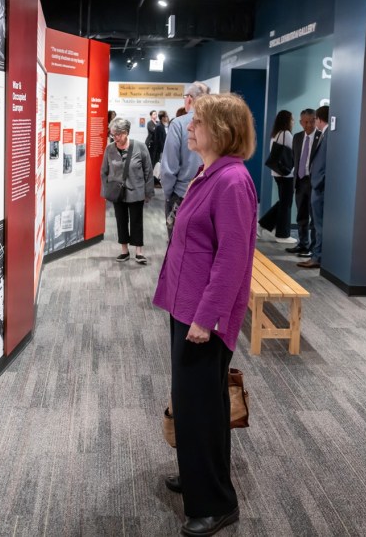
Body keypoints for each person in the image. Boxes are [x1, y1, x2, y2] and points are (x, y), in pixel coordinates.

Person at [152, 93, 257, 537]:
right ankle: (197, 474)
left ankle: (216, 501)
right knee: (195, 401)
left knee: (203, 406)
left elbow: (233, 260)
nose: (189, 128)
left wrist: (206, 317)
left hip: (203, 315)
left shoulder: (232, 182)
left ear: (222, 131)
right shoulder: (209, 172)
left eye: (197, 123)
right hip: (186, 304)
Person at [100, 117, 153, 264]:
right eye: (113, 134)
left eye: (118, 134)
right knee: (121, 221)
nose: (115, 137)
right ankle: (124, 251)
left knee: (137, 221)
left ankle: (139, 252)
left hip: (137, 191)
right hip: (118, 193)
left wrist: (148, 192)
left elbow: (148, 171)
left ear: (126, 132)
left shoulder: (140, 147)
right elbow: (104, 171)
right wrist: (106, 191)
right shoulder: (109, 149)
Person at [161, 82, 210, 239]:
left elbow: (169, 166)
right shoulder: (215, 123)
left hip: (181, 194)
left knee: (176, 242)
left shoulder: (178, 124)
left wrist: (169, 194)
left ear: (189, 99)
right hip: (208, 194)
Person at [258, 110, 296, 243]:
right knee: (286, 203)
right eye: (292, 119)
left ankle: (263, 224)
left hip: (277, 172)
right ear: (287, 120)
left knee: (283, 202)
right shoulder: (286, 134)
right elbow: (295, 152)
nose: (293, 121)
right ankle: (282, 235)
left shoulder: (276, 134)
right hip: (286, 174)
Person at [298, 106, 329, 270]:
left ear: (319, 119)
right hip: (316, 186)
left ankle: (317, 256)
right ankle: (316, 255)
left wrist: (318, 182)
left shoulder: (328, 135)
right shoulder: (325, 135)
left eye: (314, 119)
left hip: (319, 187)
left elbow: (326, 163)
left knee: (319, 224)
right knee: (316, 223)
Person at [288, 109, 319, 258]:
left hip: (313, 181)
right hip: (300, 180)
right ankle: (302, 243)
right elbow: (295, 158)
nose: (309, 124)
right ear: (301, 123)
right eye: (306, 122)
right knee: (301, 214)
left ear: (316, 120)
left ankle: (312, 249)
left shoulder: (321, 137)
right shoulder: (297, 137)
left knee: (314, 216)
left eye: (312, 121)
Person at [153, 110, 169, 186]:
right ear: (162, 118)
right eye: (166, 116)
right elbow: (158, 140)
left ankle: (159, 181)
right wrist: (162, 150)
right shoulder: (159, 126)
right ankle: (156, 181)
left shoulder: (162, 126)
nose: (167, 118)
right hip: (160, 150)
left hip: (162, 150)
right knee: (158, 166)